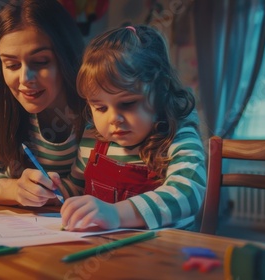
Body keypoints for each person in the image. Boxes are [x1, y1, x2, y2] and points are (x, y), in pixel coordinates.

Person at [59, 25, 206, 231]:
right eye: (100, 107)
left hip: (164, 255)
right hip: (106, 251)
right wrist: (52, 190)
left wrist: (116, 213)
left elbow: (187, 193)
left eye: (127, 103)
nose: (114, 119)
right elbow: (77, 187)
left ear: (160, 90)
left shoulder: (179, 137)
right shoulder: (93, 137)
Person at [0, 0, 86, 206]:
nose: (25, 79)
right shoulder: (4, 112)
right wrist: (14, 189)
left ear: (67, 57)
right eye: (12, 65)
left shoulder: (98, 110)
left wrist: (41, 194)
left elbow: (88, 186)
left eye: (41, 62)